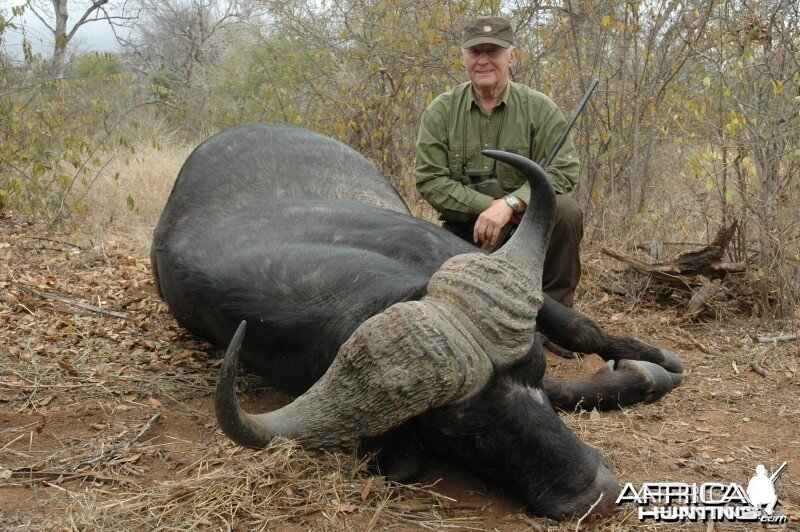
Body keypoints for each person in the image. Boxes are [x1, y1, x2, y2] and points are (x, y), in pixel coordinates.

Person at [415, 16, 584, 307]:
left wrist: (512, 204)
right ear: (464, 57)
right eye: (475, 52)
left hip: (525, 224)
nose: (483, 61)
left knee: (566, 212)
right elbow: (430, 180)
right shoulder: (441, 110)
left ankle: (556, 314)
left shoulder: (539, 108)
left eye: (492, 52)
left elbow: (565, 170)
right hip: (465, 229)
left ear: (511, 56)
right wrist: (487, 209)